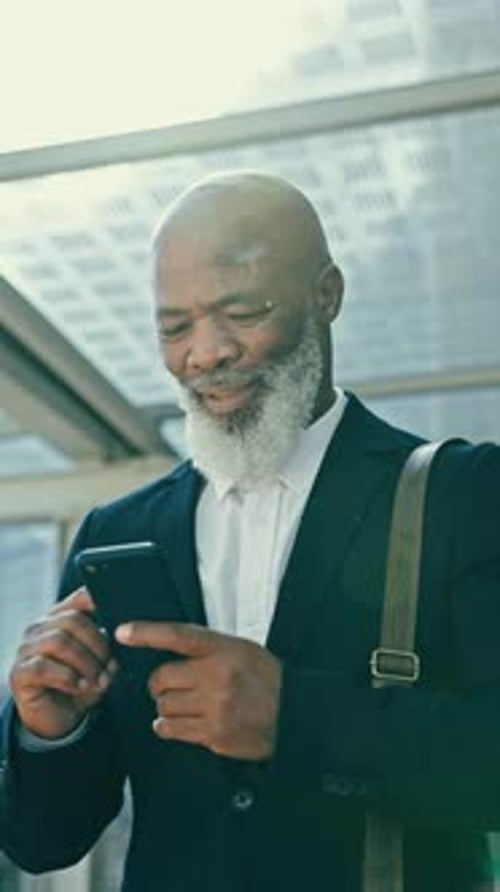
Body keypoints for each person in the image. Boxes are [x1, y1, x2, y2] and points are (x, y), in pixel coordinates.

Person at [1, 171, 500, 892]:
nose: (206, 353)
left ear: (326, 295)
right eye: (175, 327)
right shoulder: (115, 532)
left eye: (242, 311)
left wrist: (294, 716)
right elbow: (44, 841)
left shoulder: (464, 494)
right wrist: (50, 730)